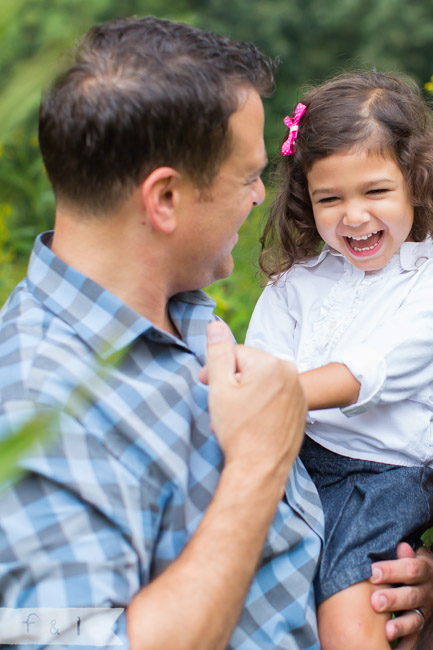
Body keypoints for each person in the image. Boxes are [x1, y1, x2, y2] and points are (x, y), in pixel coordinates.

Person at [0, 18, 431, 650]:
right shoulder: (40, 404)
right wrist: (257, 468)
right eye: (246, 177)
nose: (263, 196)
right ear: (166, 199)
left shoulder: (185, 313)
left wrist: (397, 593)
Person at [246, 70, 433, 650]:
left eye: (375, 191)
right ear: (307, 198)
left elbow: (376, 368)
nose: (352, 216)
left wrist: (277, 392)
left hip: (377, 478)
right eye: (330, 198)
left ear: (416, 184)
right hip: (295, 456)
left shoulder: (425, 280)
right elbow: (262, 360)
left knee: (350, 616)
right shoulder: (295, 284)